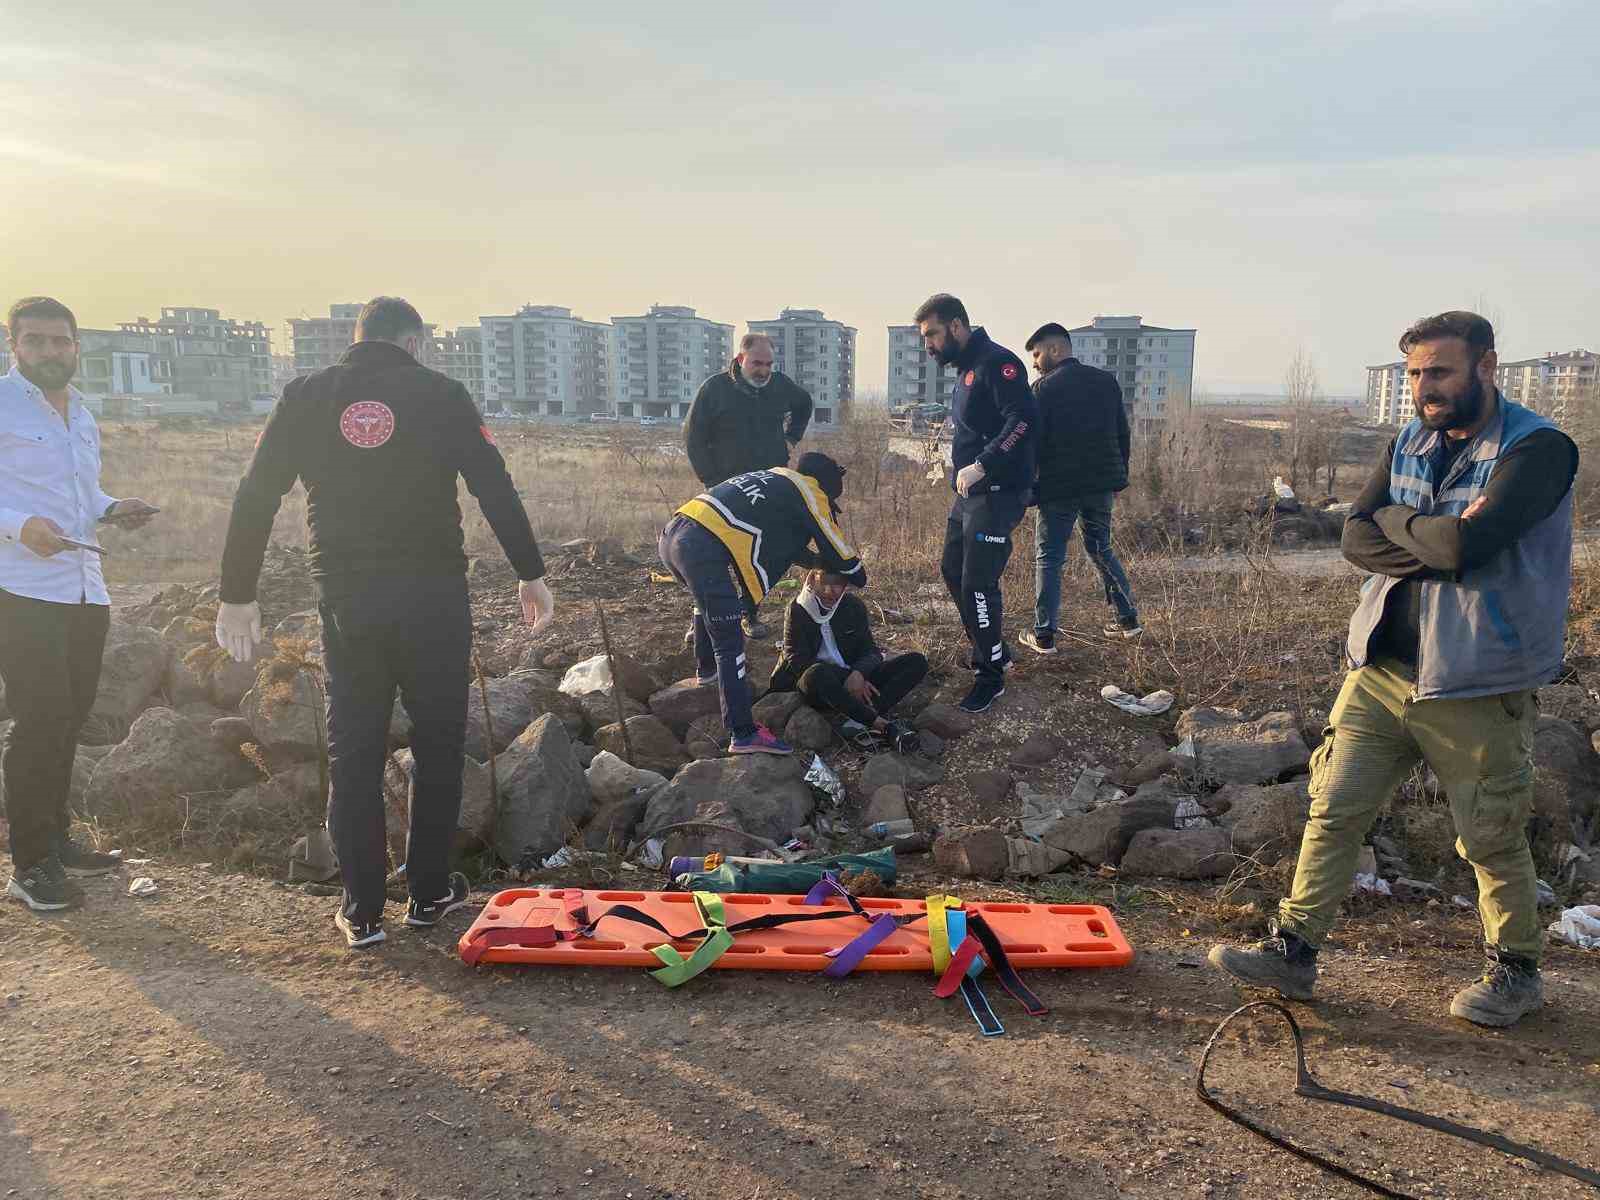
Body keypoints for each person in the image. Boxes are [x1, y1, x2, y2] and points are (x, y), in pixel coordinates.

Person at [1209, 311, 1577, 1028]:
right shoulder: (1412, 437)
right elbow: (1353, 534)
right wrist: (1431, 534)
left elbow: (1465, 549)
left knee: (1491, 837)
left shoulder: (1538, 450)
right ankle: (1295, 950)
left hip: (1477, 680)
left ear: (1486, 366)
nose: (1424, 388)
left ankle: (1516, 973)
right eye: (1413, 374)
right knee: (1333, 810)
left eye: (1439, 371)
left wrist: (1406, 527)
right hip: (1381, 669)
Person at [215, 297, 555, 951]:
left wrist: (237, 592)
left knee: (356, 750)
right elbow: (493, 484)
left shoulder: (306, 395)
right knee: (437, 744)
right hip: (434, 598)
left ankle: (363, 908)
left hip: (349, 601)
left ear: (356, 338)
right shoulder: (442, 393)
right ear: (414, 342)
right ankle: (428, 894)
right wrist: (530, 571)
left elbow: (256, 492)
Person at [1, 296, 158, 912]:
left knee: (69, 716)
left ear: (75, 346)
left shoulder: (82, 413)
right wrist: (19, 527)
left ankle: (58, 841)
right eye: (34, 341)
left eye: (58, 341)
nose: (48, 351)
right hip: (21, 590)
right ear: (15, 345)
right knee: (40, 721)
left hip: (85, 586)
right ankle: (31, 863)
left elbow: (82, 493)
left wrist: (114, 507)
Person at [659, 451, 864, 755]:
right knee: (730, 643)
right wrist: (857, 573)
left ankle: (707, 672)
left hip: (673, 533)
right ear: (824, 487)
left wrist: (815, 561)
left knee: (710, 603)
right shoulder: (810, 490)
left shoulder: (777, 477)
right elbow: (836, 546)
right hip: (701, 547)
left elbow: (783, 542)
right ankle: (743, 733)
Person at [914, 294, 1038, 713]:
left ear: (956, 326)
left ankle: (991, 675)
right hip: (969, 493)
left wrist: (984, 464)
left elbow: (1022, 419)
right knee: (951, 569)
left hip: (998, 491)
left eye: (931, 334)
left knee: (978, 584)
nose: (928, 344)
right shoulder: (966, 369)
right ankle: (990, 646)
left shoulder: (997, 363)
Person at [683, 332, 813, 639]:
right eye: (757, 363)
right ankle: (702, 619)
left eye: (768, 364)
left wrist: (791, 437)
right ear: (741, 359)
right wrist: (711, 481)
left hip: (768, 484)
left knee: (760, 551)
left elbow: (804, 403)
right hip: (724, 489)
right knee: (714, 553)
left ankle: (748, 613)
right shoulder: (715, 389)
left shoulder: (780, 385)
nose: (763, 370)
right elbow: (693, 438)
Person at [1018, 322, 1139, 654]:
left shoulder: (1042, 389)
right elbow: (1122, 434)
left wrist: (1028, 487)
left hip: (1058, 489)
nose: (1034, 362)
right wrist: (1119, 479)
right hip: (1101, 484)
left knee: (1050, 556)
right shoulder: (1107, 382)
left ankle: (1044, 635)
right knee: (1101, 548)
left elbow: (1031, 445)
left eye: (1037, 353)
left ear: (1057, 350)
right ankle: (1128, 620)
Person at [767, 569, 926, 752]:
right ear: (811, 580)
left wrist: (859, 672)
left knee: (916, 662)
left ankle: (859, 718)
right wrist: (849, 677)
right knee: (817, 673)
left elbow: (871, 651)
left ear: (845, 586)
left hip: (855, 679)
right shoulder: (798, 609)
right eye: (823, 582)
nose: (829, 591)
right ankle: (881, 725)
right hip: (819, 684)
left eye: (837, 584)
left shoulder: (853, 606)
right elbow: (797, 661)